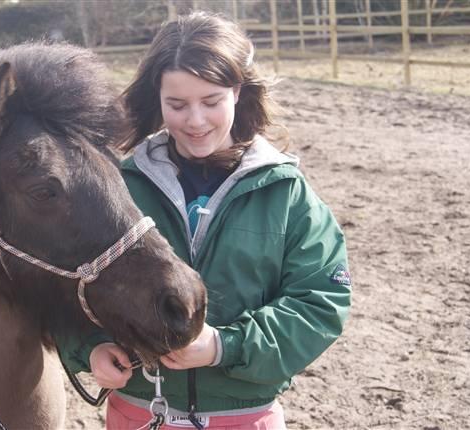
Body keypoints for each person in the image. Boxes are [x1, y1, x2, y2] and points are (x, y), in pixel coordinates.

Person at [58, 12, 351, 430]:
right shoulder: (119, 186)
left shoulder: (287, 193)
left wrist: (223, 346)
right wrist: (89, 348)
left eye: (211, 102)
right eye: (177, 105)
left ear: (237, 91)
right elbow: (65, 284)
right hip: (138, 415)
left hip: (246, 419)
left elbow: (321, 300)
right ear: (156, 99)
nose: (195, 121)